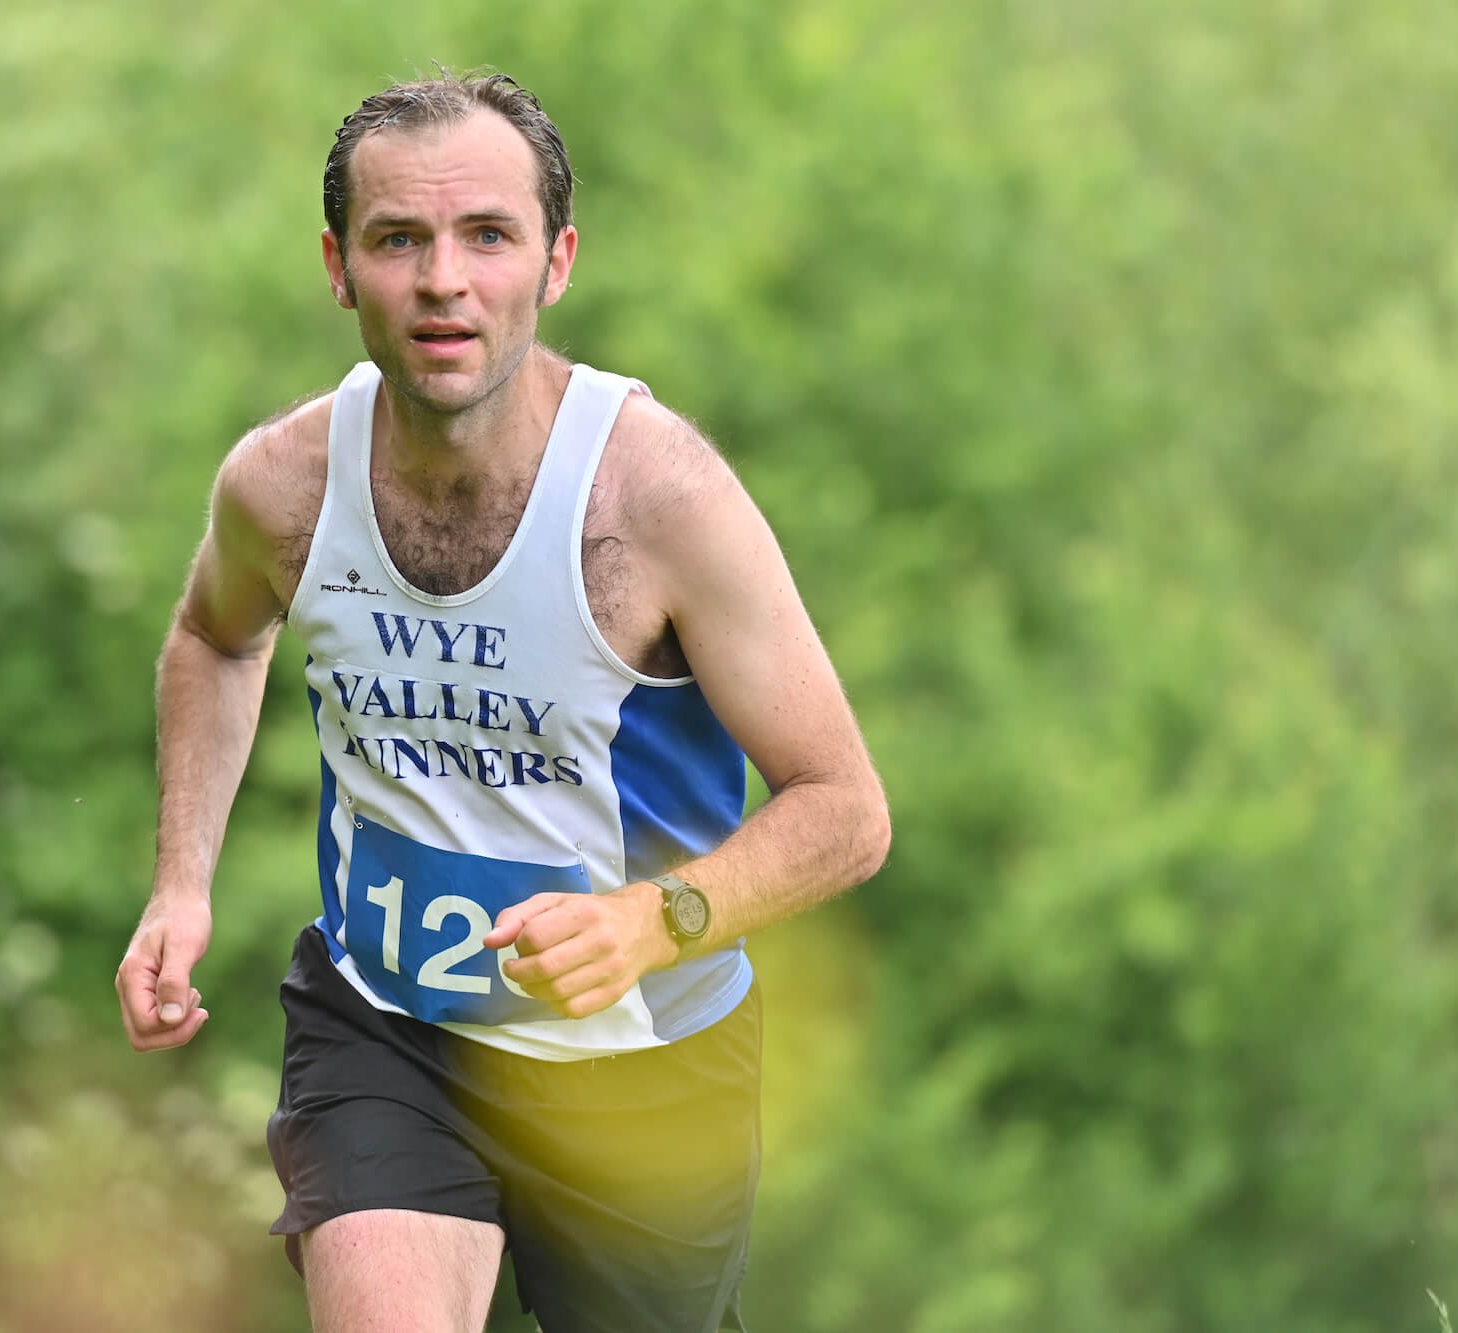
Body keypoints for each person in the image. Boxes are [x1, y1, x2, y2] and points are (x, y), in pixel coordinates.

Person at [116, 69, 891, 1333]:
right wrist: (181, 882)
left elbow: (846, 810)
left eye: (486, 236)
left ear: (556, 259)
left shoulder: (655, 502)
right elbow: (212, 637)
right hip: (388, 1025)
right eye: (397, 240)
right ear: (336, 263)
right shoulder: (282, 485)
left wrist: (654, 919)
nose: (441, 281)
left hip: (644, 1073)